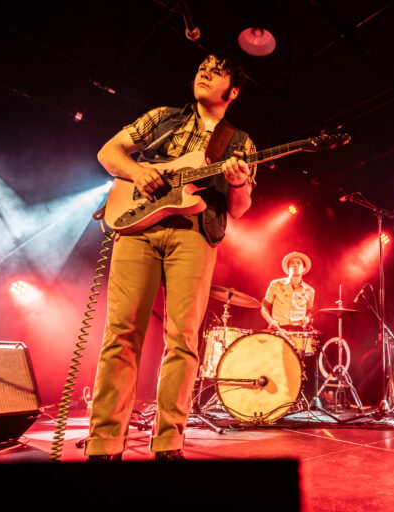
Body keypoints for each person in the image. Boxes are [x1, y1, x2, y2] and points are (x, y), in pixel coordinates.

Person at [85, 53, 257, 461]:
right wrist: (136, 172)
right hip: (137, 228)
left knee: (182, 340)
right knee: (121, 332)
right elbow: (109, 153)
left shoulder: (240, 143)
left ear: (232, 92)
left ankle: (168, 442)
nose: (204, 72)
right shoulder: (163, 117)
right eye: (202, 67)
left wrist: (238, 183)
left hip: (196, 236)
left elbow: (239, 209)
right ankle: (104, 442)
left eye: (216, 72)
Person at [261, 252, 315, 332]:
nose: (295, 265)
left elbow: (309, 313)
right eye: (292, 263)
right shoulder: (275, 284)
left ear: (304, 268)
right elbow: (264, 308)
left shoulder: (310, 291)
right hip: (278, 329)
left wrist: (307, 319)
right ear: (288, 268)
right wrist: (271, 321)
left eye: (298, 263)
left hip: (299, 332)